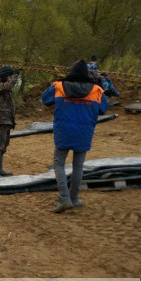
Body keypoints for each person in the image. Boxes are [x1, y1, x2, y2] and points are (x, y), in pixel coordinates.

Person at [41, 60, 109, 213]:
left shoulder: (58, 87)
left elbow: (45, 100)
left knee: (59, 164)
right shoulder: (97, 90)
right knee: (78, 166)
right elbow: (103, 109)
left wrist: (55, 84)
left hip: (63, 131)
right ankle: (73, 198)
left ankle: (64, 199)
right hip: (84, 133)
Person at [0, 65, 20, 178]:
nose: (10, 78)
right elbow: (6, 87)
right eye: (9, 76)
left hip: (7, 119)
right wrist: (14, 77)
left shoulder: (3, 82)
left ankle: (0, 170)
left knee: (3, 145)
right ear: (6, 75)